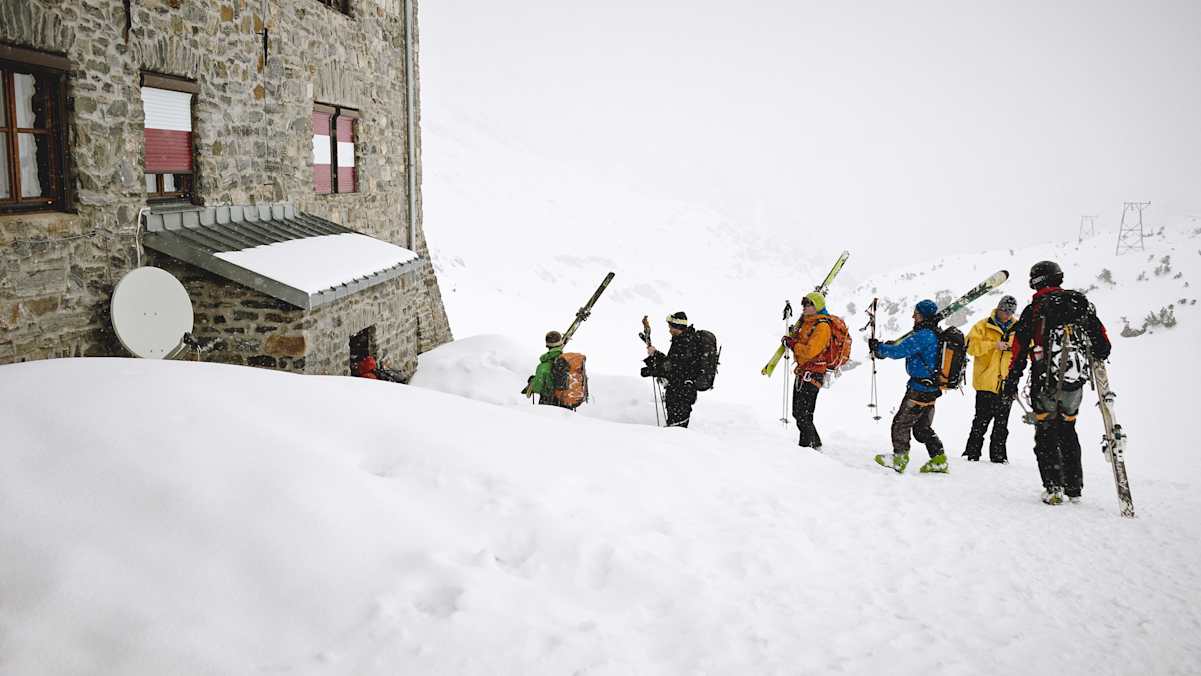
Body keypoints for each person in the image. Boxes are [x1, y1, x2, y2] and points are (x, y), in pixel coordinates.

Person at [1003, 261, 1111, 505]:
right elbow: (1103, 346)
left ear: (1036, 281)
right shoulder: (1080, 305)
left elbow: (1018, 350)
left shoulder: (1035, 310)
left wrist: (1012, 380)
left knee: (1046, 433)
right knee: (1068, 431)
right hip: (1074, 384)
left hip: (1045, 383)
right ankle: (1074, 488)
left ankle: (1053, 487)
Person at [868, 299, 949, 474]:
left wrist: (879, 348)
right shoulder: (934, 333)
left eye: (916, 313)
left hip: (919, 389)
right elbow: (905, 347)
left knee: (900, 424)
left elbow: (899, 351)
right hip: (932, 388)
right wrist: (886, 347)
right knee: (922, 428)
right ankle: (939, 459)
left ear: (923, 316)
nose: (913, 316)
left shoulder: (924, 335)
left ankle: (900, 458)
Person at [962, 295, 1018, 463]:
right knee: (980, 421)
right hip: (985, 382)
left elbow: (1026, 349)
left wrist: (1012, 348)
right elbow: (970, 347)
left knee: (1002, 425)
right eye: (1005, 310)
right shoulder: (982, 326)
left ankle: (999, 457)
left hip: (1006, 383)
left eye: (1011, 312)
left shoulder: (1018, 328)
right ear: (998, 308)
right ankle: (972, 454)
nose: (1007, 314)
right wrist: (994, 345)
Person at [782, 291, 833, 451]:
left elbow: (811, 351)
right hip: (804, 373)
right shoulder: (808, 323)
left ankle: (809, 448)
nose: (803, 307)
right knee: (799, 414)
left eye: (807, 304)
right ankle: (811, 446)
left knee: (803, 415)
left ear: (816, 306)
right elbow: (804, 344)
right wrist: (793, 340)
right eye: (803, 303)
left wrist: (793, 345)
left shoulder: (822, 326)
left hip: (813, 374)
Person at [642, 312, 703, 428]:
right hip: (680, 393)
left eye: (671, 327)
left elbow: (674, 369)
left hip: (680, 395)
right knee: (675, 429)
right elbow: (671, 363)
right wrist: (654, 354)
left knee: (677, 429)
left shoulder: (685, 343)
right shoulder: (682, 340)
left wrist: (652, 371)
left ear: (678, 327)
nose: (669, 330)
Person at [526, 330, 583, 409]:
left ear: (547, 345)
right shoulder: (566, 361)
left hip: (549, 403)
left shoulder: (544, 366)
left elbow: (537, 387)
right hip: (565, 404)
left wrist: (532, 381)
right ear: (560, 343)